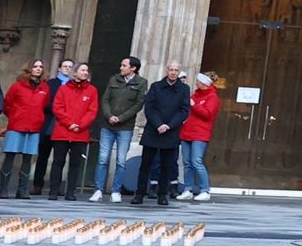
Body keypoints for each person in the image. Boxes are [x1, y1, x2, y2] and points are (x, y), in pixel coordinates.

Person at [139, 62, 194, 205]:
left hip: (171, 131)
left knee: (167, 165)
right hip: (153, 129)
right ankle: (139, 194)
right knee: (146, 163)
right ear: (167, 70)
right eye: (171, 70)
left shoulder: (183, 89)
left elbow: (184, 110)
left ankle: (162, 195)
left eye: (176, 70)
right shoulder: (156, 86)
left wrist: (169, 125)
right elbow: (149, 108)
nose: (173, 73)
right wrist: (158, 124)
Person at [47, 62, 101, 202]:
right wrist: (70, 123)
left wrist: (80, 125)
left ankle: (70, 192)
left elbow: (92, 111)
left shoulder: (92, 91)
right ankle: (53, 191)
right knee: (58, 161)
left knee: (75, 163)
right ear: (75, 73)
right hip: (62, 131)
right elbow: (57, 108)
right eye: (82, 70)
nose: (85, 72)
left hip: (80, 133)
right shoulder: (63, 89)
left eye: (87, 70)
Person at [94, 56, 145, 200]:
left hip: (125, 127)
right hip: (107, 125)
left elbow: (138, 104)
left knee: (121, 160)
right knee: (103, 158)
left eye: (124, 65)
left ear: (133, 68)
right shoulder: (114, 79)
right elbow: (105, 99)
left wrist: (121, 118)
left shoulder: (141, 82)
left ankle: (116, 191)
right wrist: (109, 115)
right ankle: (98, 190)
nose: (121, 68)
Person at [0, 58, 49, 199]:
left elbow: (44, 105)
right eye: (35, 66)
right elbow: (7, 104)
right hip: (17, 125)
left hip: (34, 127)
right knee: (10, 156)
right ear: (29, 68)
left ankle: (22, 189)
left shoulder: (44, 88)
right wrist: (15, 116)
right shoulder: (18, 86)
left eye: (41, 66)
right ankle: (3, 188)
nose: (38, 69)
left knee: (28, 158)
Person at [182, 71, 221, 202]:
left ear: (204, 83)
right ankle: (188, 189)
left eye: (199, 81)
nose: (196, 83)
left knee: (196, 162)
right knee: (187, 163)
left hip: (200, 133)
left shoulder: (213, 97)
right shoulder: (196, 94)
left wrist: (194, 105)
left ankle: (205, 190)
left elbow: (207, 114)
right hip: (187, 131)